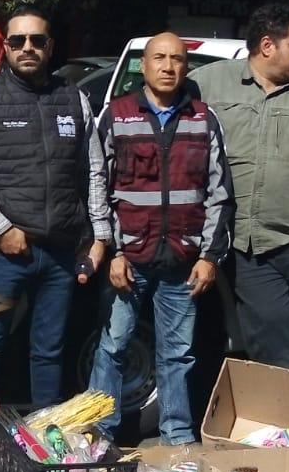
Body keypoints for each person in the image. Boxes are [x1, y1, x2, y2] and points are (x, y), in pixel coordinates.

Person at [0, 4, 111, 448]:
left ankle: (44, 440)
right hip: (5, 256)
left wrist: (100, 236)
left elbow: (93, 172)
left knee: (49, 351)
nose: (27, 48)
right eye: (17, 40)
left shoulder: (74, 99)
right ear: (5, 46)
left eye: (37, 40)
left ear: (50, 46)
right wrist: (1, 229)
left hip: (60, 253)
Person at [89, 32, 233, 446]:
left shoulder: (204, 118)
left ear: (186, 68)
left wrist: (209, 257)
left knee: (177, 355)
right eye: (159, 58)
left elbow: (220, 192)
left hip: (183, 263)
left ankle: (177, 439)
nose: (168, 67)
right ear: (144, 66)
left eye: (177, 60)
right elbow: (96, 185)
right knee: (113, 348)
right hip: (128, 260)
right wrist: (110, 249)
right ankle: (101, 437)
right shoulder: (116, 115)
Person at [190, 1, 289, 370]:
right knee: (268, 341)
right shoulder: (209, 83)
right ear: (267, 45)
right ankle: (283, 420)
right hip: (247, 245)